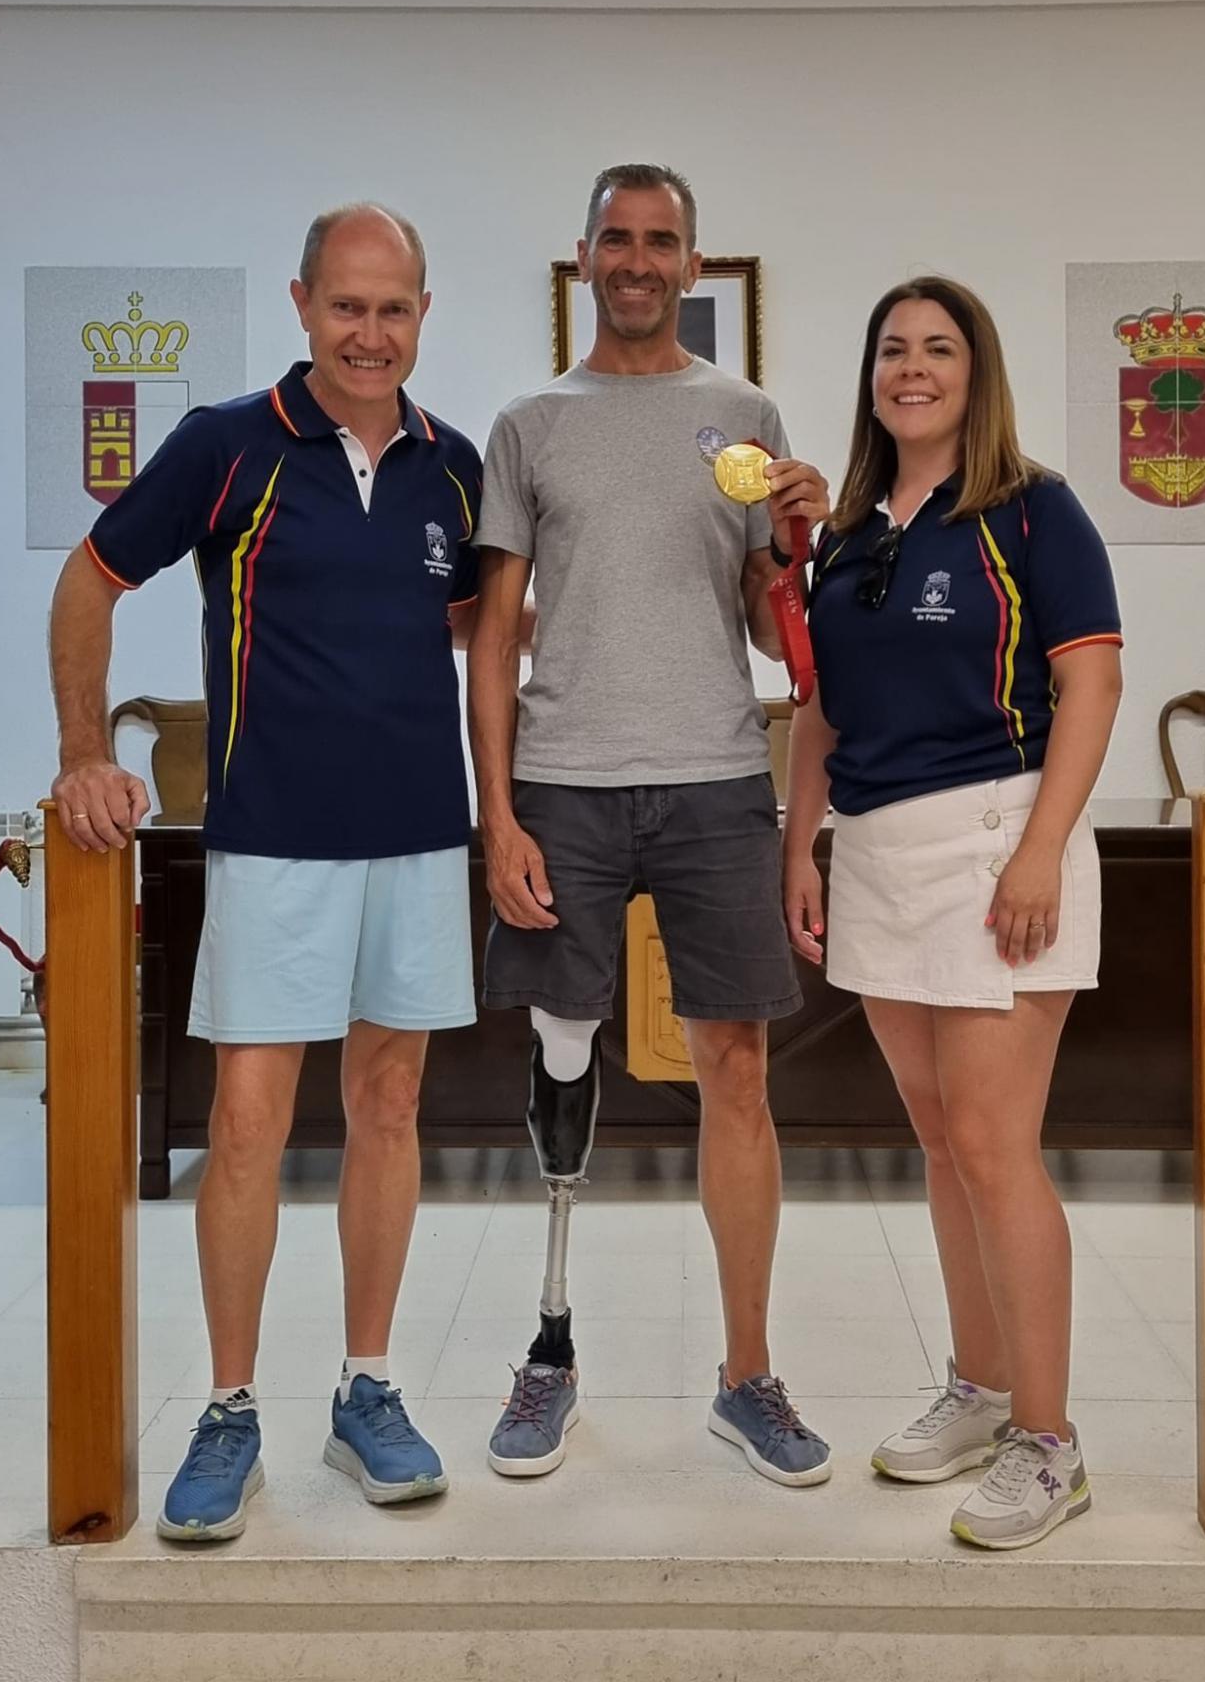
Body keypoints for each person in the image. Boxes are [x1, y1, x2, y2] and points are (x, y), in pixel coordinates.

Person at [47, 204, 485, 1540]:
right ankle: (229, 1407)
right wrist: (84, 752)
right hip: (272, 838)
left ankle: (367, 1387)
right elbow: (89, 579)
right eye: (346, 305)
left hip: (419, 835)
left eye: (393, 308)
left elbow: (474, 627)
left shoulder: (454, 466)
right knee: (245, 1123)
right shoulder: (226, 444)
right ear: (302, 304)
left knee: (389, 1106)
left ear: (422, 314)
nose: (370, 333)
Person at [466, 162, 834, 1486]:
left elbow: (770, 627)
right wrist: (497, 814)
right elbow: (492, 634)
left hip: (714, 776)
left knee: (735, 1069)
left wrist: (797, 539)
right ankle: (550, 1350)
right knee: (565, 1050)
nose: (636, 259)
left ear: (690, 260)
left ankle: (747, 1376)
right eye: (614, 239)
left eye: (659, 240)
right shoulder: (529, 426)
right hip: (564, 779)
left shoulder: (743, 418)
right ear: (584, 257)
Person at [783, 275, 1123, 1550]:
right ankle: (980, 1390)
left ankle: (1049, 1442)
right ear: (869, 376)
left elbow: (1091, 685)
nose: (911, 368)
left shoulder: (1032, 510)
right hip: (874, 847)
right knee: (937, 1140)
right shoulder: (846, 535)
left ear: (974, 374)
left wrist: (1038, 851)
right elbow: (819, 709)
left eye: (937, 348)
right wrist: (798, 844)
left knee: (992, 1143)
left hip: (996, 843)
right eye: (892, 349)